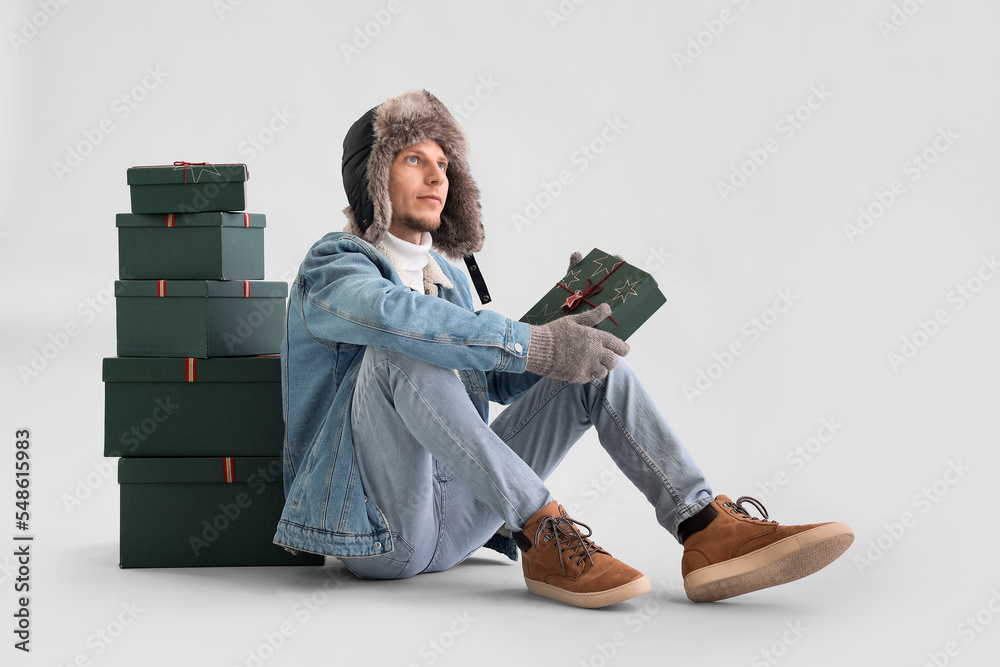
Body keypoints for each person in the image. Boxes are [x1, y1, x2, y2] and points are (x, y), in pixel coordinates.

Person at [272, 89, 853, 608]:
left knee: (594, 366)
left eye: (444, 164)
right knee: (401, 348)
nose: (436, 177)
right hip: (380, 532)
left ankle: (703, 528)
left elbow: (498, 382)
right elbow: (391, 318)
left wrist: (564, 330)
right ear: (373, 176)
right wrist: (535, 343)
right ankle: (544, 530)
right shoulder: (333, 266)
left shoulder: (446, 284)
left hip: (464, 518)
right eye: (414, 159)